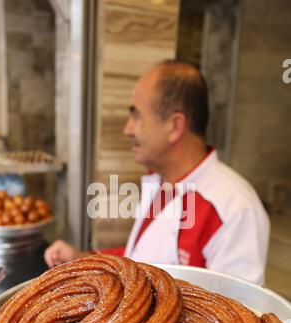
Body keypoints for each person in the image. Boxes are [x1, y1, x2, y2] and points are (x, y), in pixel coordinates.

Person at [44, 61, 270, 285]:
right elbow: (141, 258)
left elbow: (239, 312)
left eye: (136, 116)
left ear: (175, 126)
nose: (127, 129)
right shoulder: (162, 182)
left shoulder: (236, 211)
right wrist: (83, 259)